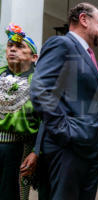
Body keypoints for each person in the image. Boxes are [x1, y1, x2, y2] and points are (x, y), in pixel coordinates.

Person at [30, 3, 98, 200]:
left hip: (90, 148)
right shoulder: (61, 44)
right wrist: (65, 130)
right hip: (68, 148)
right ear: (83, 19)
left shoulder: (91, 57)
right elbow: (40, 90)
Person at [0, 23, 39, 200]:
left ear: (33, 57)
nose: (13, 50)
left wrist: (36, 152)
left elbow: (47, 120)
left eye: (19, 46)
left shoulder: (40, 83)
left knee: (15, 195)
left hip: (21, 149)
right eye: (10, 46)